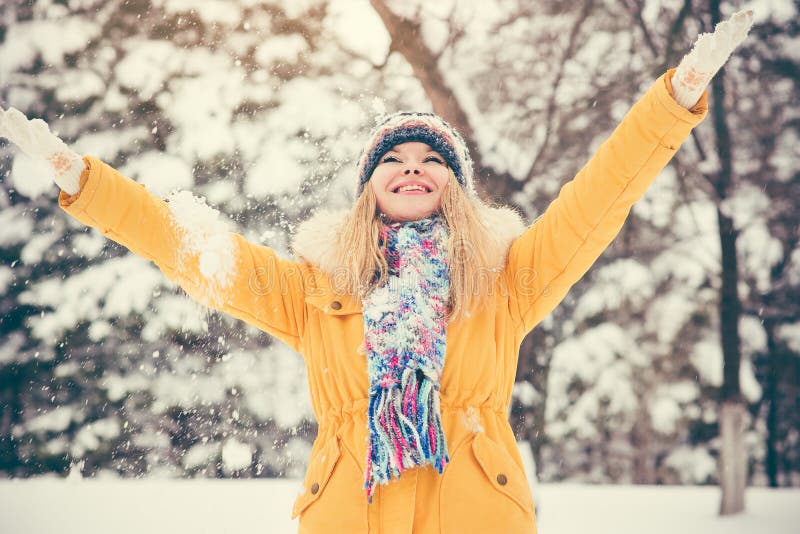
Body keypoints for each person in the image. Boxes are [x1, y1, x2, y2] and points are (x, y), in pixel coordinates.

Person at [0, 10, 753, 534]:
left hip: (478, 516)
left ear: (454, 187)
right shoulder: (316, 289)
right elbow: (197, 252)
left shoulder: (503, 280)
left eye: (431, 161)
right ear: (369, 189)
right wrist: (87, 183)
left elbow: (598, 198)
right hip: (346, 516)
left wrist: (674, 101)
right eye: (392, 161)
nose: (412, 169)